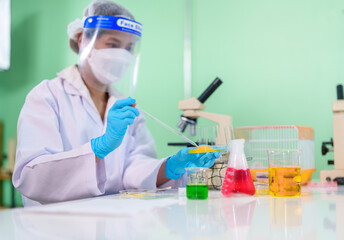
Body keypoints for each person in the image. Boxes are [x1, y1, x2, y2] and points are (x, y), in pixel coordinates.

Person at [12, 0, 219, 206]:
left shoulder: (124, 106)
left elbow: (133, 169)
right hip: (52, 227)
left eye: (129, 47)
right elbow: (32, 178)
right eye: (113, 44)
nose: (122, 55)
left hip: (111, 222)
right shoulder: (47, 96)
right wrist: (97, 149)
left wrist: (169, 168)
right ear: (83, 40)